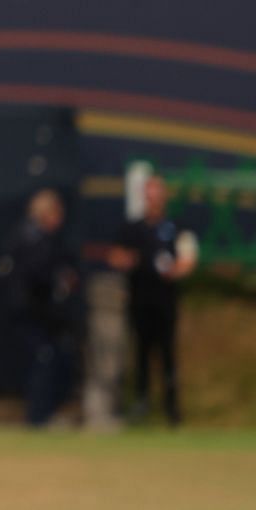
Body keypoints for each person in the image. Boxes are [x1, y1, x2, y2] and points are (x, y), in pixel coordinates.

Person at [108, 175, 198, 425]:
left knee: (168, 355)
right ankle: (141, 404)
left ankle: (172, 409)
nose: (153, 200)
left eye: (157, 194)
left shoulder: (177, 227)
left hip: (166, 302)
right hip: (140, 300)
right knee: (141, 354)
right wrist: (128, 260)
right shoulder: (132, 228)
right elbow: (115, 255)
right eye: (149, 195)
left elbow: (188, 259)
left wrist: (174, 271)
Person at [0, 189, 79, 427]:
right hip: (30, 313)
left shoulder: (48, 240)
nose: (60, 218)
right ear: (46, 213)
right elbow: (34, 277)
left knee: (55, 357)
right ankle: (38, 417)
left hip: (45, 315)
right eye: (57, 213)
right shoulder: (29, 239)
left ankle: (46, 413)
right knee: (42, 358)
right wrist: (58, 280)